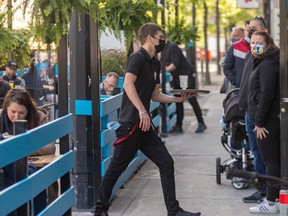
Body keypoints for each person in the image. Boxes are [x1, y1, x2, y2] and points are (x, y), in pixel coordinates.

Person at [93, 22, 201, 216]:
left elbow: (155, 95)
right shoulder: (137, 58)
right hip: (130, 125)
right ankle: (100, 210)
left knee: (166, 163)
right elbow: (127, 84)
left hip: (145, 127)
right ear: (150, 37)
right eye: (160, 36)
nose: (163, 40)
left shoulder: (155, 62)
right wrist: (142, 111)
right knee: (115, 169)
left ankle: (173, 211)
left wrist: (177, 98)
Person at [0, 88, 57, 211]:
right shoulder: (0, 117)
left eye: (21, 113)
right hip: (7, 171)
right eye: (13, 111)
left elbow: (50, 147)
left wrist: (23, 147)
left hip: (34, 167)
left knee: (34, 177)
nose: (16, 116)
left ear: (29, 110)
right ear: (6, 108)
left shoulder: (39, 117)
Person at [247, 30, 280, 214]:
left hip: (266, 123)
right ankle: (274, 200)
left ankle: (270, 202)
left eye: (258, 42)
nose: (254, 45)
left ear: (267, 44)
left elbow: (267, 94)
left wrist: (259, 122)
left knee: (270, 162)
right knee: (273, 161)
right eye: (252, 42)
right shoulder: (263, 61)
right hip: (267, 120)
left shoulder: (267, 64)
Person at [238, 16, 268, 204]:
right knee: (256, 151)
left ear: (264, 32)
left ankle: (265, 191)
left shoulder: (267, 57)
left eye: (254, 29)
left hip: (258, 115)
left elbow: (266, 90)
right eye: (249, 30)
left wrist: (259, 118)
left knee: (261, 153)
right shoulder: (252, 53)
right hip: (249, 111)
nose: (250, 33)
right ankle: (262, 189)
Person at [165, 41, 207, 133]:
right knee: (178, 100)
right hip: (177, 77)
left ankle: (201, 123)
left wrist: (164, 70)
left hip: (184, 76)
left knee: (191, 99)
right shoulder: (164, 48)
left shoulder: (172, 47)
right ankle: (179, 125)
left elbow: (175, 64)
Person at [223, 21, 250, 88]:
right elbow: (226, 67)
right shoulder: (234, 47)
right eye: (248, 30)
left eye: (236, 35)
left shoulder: (259, 46)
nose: (233, 38)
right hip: (239, 89)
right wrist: (237, 81)